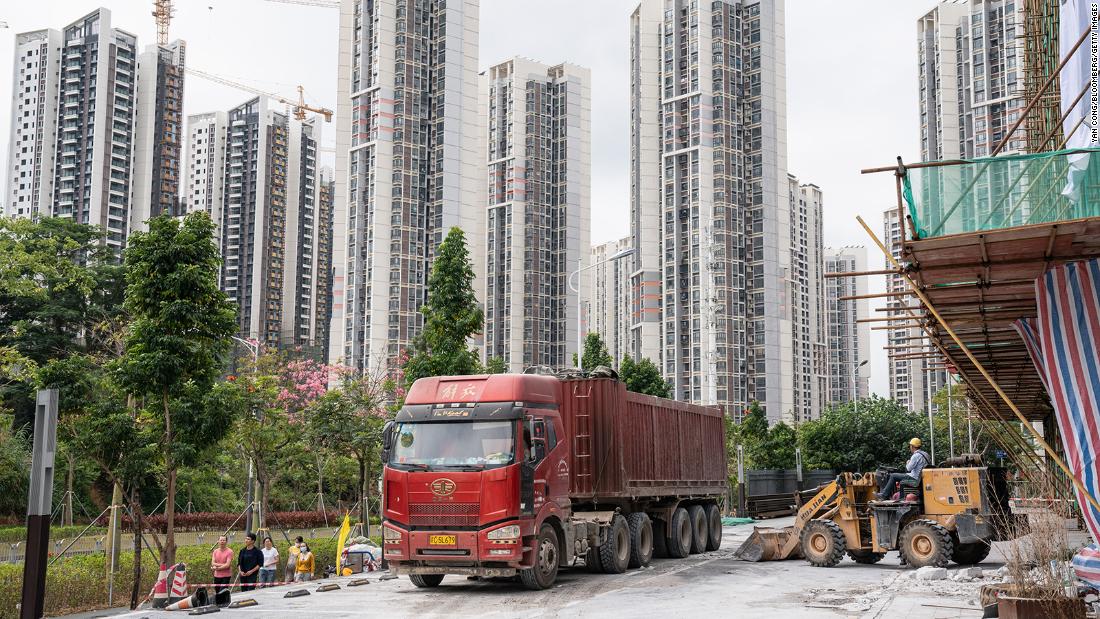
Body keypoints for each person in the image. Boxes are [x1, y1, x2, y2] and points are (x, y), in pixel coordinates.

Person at [210, 535, 234, 600]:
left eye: (224, 540)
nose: (222, 542)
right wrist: (222, 565)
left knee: (222, 591)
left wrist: (217, 568)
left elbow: (227, 565)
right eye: (221, 540)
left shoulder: (230, 551)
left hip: (226, 576)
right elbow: (213, 563)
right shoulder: (215, 551)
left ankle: (223, 604)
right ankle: (220, 603)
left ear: (226, 542)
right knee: (217, 592)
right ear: (218, 541)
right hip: (216, 576)